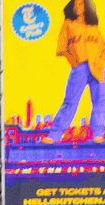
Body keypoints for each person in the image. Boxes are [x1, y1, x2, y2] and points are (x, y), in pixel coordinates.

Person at [44, 0, 105, 144]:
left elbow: (102, 47)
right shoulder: (68, 25)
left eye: (81, 4)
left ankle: (98, 133)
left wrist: (101, 63)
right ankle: (55, 134)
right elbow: (61, 48)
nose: (78, 7)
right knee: (70, 101)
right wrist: (75, 62)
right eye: (75, 4)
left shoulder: (93, 27)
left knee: (100, 101)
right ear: (71, 7)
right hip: (80, 67)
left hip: (98, 68)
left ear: (87, 6)